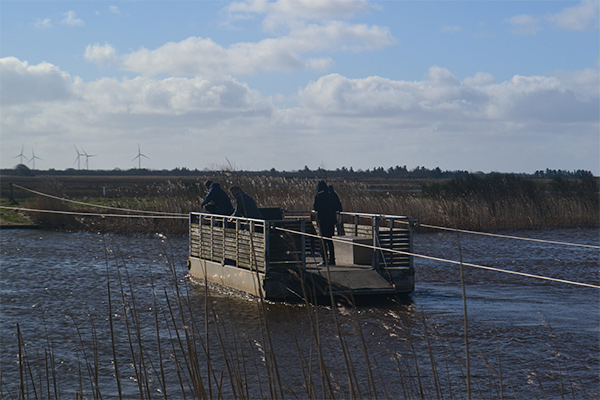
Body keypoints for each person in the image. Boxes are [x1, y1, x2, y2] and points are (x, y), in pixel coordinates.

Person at [313, 180, 341, 266]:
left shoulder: (319, 196)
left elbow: (315, 208)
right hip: (331, 220)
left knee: (323, 241)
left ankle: (324, 259)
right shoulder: (332, 195)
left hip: (322, 220)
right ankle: (332, 259)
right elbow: (338, 207)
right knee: (330, 240)